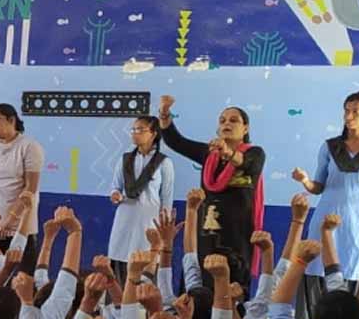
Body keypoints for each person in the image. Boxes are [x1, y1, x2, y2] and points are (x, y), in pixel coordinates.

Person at [293, 91, 359, 299]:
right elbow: (318, 187)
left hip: (356, 223)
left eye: (356, 111)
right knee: (315, 269)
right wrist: (305, 181)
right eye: (346, 111)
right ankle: (312, 318)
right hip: (324, 218)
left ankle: (346, 317)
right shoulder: (330, 147)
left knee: (350, 272)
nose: (349, 116)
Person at [158, 95, 265, 281]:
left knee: (233, 287)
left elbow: (246, 164)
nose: (226, 123)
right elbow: (175, 141)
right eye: (222, 120)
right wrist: (164, 112)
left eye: (233, 120)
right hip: (206, 232)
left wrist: (228, 152)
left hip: (238, 235)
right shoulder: (209, 154)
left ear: (245, 128)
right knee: (200, 284)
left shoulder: (255, 153)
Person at [108, 115, 175, 283]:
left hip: (149, 221)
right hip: (125, 217)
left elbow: (166, 198)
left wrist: (163, 230)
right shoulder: (125, 159)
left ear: (153, 133)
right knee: (120, 261)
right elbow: (116, 186)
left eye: (140, 130)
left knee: (146, 264)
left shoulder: (164, 163)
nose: (135, 133)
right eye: (133, 130)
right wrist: (115, 194)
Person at [0, 104, 44, 238]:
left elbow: (30, 188)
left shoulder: (29, 146)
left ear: (11, 120)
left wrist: (11, 219)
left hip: (21, 228)